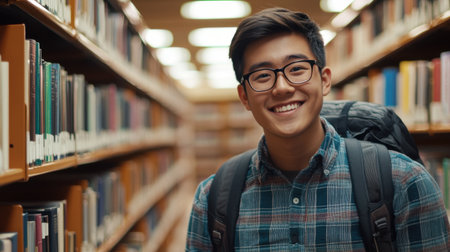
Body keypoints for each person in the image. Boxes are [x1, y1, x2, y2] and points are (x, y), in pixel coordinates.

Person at [186, 7, 450, 251]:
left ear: (324, 81)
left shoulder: (404, 183)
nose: (282, 87)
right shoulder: (211, 201)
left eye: (297, 69)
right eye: (262, 75)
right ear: (244, 97)